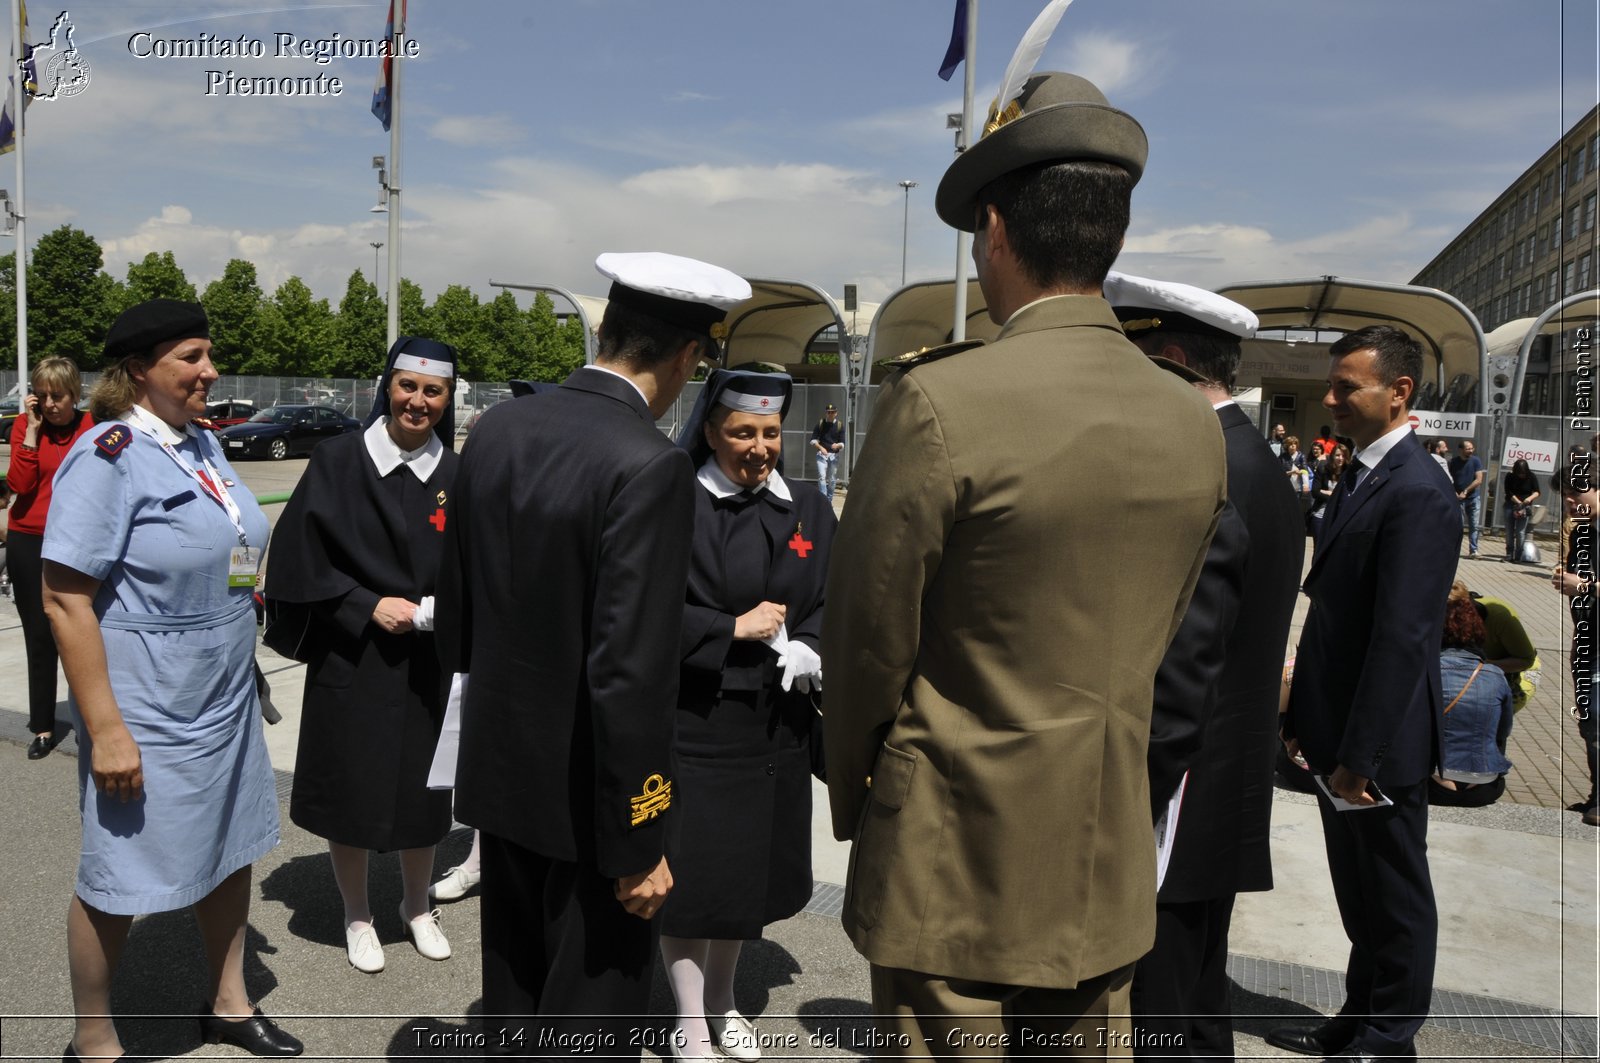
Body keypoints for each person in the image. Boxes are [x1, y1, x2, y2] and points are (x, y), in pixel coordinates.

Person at [823, 68, 1226, 1052]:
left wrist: (863, 795)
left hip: (950, 860)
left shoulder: (939, 403)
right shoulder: (1192, 423)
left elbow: (868, 640)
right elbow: (1162, 629)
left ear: (994, 229)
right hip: (1103, 865)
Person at [433, 251, 751, 1054]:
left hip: (503, 779)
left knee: (513, 1000)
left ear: (606, 329)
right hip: (592, 804)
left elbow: (458, 616)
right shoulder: (649, 463)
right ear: (686, 359)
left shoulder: (497, 428)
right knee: (589, 1021)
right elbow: (630, 670)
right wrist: (641, 837)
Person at [40, 299, 301, 1060]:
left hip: (221, 689)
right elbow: (64, 598)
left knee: (229, 843)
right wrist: (107, 728)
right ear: (138, 371)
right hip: (148, 701)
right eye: (191, 356)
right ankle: (91, 1040)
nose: (210, 371)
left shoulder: (202, 445)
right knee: (120, 873)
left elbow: (235, 546)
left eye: (208, 355)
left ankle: (226, 1000)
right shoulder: (108, 455)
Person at [1106, 273, 1303, 1061]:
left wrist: (1139, 786)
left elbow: (1187, 649)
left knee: (1162, 1000)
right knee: (1197, 995)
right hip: (1221, 769)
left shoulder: (1211, 464)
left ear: (1176, 360)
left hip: (1184, 776)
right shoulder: (1245, 456)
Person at [1268, 324, 1459, 1062]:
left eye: (1347, 386)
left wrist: (1361, 756)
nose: (1331, 398)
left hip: (1376, 743)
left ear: (1398, 391)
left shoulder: (1418, 489)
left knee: (1395, 894)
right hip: (1339, 729)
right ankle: (1359, 1014)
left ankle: (1389, 1035)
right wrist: (1307, 718)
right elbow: (1337, 611)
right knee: (1361, 892)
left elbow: (1402, 638)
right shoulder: (1366, 471)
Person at [265, 337, 461, 974]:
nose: (418, 402)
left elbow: (485, 566)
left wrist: (442, 608)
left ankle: (414, 904)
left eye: (433, 391)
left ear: (448, 398)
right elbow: (297, 560)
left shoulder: (458, 476)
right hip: (354, 655)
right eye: (408, 387)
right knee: (351, 789)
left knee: (426, 794)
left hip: (429, 660)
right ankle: (356, 913)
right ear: (388, 386)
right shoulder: (337, 460)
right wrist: (362, 604)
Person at [660, 370, 834, 1063]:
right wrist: (727, 627)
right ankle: (689, 1018)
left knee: (742, 876)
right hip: (698, 719)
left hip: (777, 726)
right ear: (709, 430)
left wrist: (815, 647)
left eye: (768, 432)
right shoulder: (676, 502)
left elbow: (831, 592)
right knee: (693, 873)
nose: (759, 447)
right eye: (741, 432)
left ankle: (724, 995)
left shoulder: (811, 508)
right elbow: (640, 608)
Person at [7, 356, 96, 759]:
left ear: (74, 394)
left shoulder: (92, 425)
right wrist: (30, 436)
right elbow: (20, 485)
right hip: (29, 539)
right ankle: (43, 726)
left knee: (82, 634)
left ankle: (89, 720)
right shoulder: (27, 426)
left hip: (76, 540)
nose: (49, 404)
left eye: (57, 396)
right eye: (41, 396)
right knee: (39, 636)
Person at [1428, 585, 1515, 808]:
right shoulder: (1495, 675)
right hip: (1484, 786)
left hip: (1434, 781)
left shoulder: (1424, 674)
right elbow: (1502, 732)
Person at [1551, 454, 1597, 826]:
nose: (1569, 501)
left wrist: (1583, 585)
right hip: (1587, 638)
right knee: (1588, 720)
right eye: (1564, 495)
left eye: (1576, 492)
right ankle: (1596, 795)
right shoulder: (1581, 532)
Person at [1308, 443, 1352, 541]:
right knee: (1318, 548)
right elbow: (1315, 492)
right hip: (1321, 514)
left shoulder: (1349, 473)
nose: (1340, 458)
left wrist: (1328, 492)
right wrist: (1336, 496)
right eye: (1337, 455)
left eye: (1343, 456)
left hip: (1339, 516)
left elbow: (1349, 496)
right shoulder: (1323, 469)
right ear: (1332, 456)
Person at [1450, 438, 1486, 558]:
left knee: (1474, 525)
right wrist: (1455, 492)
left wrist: (1466, 491)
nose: (1471, 451)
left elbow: (1479, 479)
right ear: (1461, 450)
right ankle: (1454, 550)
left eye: (1472, 448)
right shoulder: (1453, 462)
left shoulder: (1476, 461)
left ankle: (1473, 550)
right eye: (1468, 449)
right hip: (1458, 499)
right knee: (1458, 525)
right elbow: (1448, 478)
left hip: (1473, 498)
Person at [1502, 457, 1541, 563]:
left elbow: (1537, 491)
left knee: (1520, 532)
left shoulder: (1531, 476)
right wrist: (1518, 502)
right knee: (1509, 531)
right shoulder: (1510, 476)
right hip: (1511, 505)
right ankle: (1509, 554)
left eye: (1523, 473)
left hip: (1525, 506)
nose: (1522, 475)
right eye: (1519, 473)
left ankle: (1518, 555)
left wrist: (1528, 499)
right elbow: (1508, 492)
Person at [809, 402, 844, 501]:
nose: (830, 414)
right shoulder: (821, 423)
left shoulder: (840, 425)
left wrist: (837, 445)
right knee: (821, 477)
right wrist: (820, 448)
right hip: (821, 455)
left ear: (836, 413)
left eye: (832, 412)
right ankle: (823, 500)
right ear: (826, 413)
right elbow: (812, 440)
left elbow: (843, 443)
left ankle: (829, 500)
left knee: (832, 480)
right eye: (828, 412)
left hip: (834, 456)